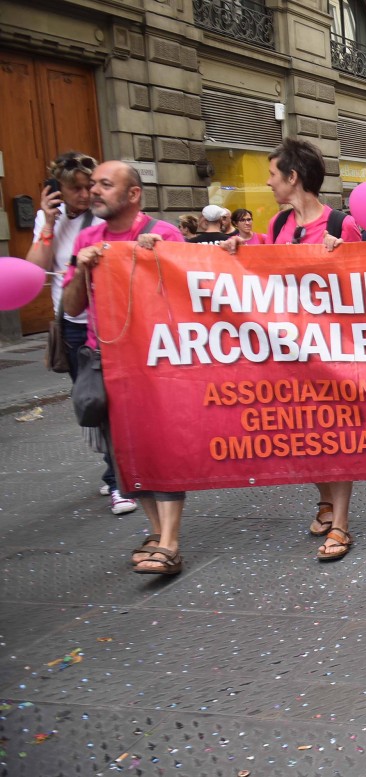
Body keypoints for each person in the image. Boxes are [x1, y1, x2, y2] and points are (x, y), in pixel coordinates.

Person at [224, 138, 363, 561]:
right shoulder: (279, 226)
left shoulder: (343, 224)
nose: (268, 183)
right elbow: (260, 275)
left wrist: (344, 256)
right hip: (291, 351)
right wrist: (234, 250)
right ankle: (324, 501)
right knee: (307, 434)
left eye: (272, 175)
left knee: (336, 434)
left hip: (335, 350)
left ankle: (340, 524)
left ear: (292, 177)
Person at [60, 160, 188, 574]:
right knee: (125, 451)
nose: (94, 191)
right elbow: (73, 307)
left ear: (133, 194)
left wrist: (159, 259)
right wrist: (83, 268)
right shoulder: (89, 238)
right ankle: (155, 532)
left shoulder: (163, 234)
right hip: (107, 360)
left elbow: (192, 296)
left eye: (105, 184)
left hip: (156, 361)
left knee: (161, 448)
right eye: (92, 184)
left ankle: (170, 541)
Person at [26, 151, 135, 515]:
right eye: (76, 189)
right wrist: (48, 224)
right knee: (91, 402)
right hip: (73, 326)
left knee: (116, 405)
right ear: (58, 190)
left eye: (91, 186)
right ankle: (116, 472)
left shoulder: (100, 217)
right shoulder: (50, 219)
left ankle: (118, 480)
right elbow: (34, 272)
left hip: (112, 323)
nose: (86, 194)